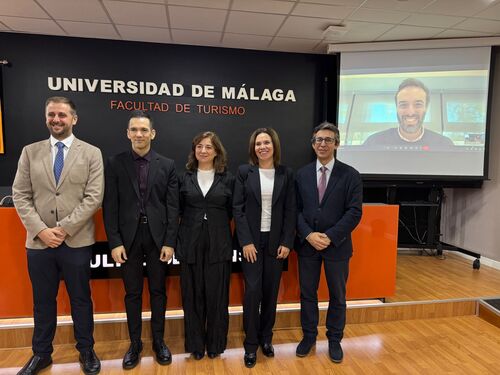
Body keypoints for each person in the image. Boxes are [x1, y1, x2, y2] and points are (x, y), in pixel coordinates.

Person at [12, 96, 104, 375]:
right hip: (39, 243)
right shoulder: (30, 152)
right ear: (46, 118)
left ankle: (86, 351)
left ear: (73, 119)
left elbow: (94, 197)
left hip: (75, 241)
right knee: (42, 301)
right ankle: (41, 354)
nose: (56, 119)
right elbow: (20, 195)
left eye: (62, 115)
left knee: (81, 299)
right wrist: (41, 230)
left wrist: (63, 229)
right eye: (51, 114)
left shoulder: (91, 153)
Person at [102, 110, 178, 369]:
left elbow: (172, 207)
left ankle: (159, 341)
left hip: (158, 240)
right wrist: (114, 242)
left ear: (152, 134)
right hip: (128, 240)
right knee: (132, 293)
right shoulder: (114, 163)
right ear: (127, 133)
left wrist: (170, 241)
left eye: (144, 130)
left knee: (158, 292)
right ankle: (135, 344)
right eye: (134, 129)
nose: (139, 134)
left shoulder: (167, 165)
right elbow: (109, 205)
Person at [295, 122, 362, 363]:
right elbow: (295, 210)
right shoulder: (301, 175)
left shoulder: (350, 174)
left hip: (337, 246)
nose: (323, 144)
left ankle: (334, 340)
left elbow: (354, 212)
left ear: (337, 143)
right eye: (318, 140)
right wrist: (309, 235)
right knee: (307, 294)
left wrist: (330, 236)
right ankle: (309, 336)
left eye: (328, 140)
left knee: (338, 296)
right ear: (313, 144)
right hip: (307, 246)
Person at [233, 127, 296, 368]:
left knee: (271, 292)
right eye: (258, 143)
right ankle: (250, 345)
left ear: (274, 146)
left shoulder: (285, 174)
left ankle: (266, 339)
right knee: (252, 292)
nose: (262, 147)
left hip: (275, 242)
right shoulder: (244, 172)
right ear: (253, 148)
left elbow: (291, 210)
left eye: (267, 142)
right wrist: (245, 241)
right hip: (251, 242)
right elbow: (237, 209)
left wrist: (287, 242)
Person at [177, 131, 234, 360]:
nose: (203, 150)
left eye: (208, 147)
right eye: (199, 146)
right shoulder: (184, 177)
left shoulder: (228, 178)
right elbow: (178, 209)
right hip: (190, 242)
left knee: (217, 296)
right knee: (192, 296)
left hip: (219, 243)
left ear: (217, 151)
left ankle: (215, 345)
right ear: (194, 150)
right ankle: (196, 345)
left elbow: (232, 211)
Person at [363, 78, 454, 149]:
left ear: (426, 108)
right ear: (397, 108)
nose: (410, 112)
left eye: (418, 104)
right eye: (403, 105)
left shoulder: (445, 144)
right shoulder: (373, 142)